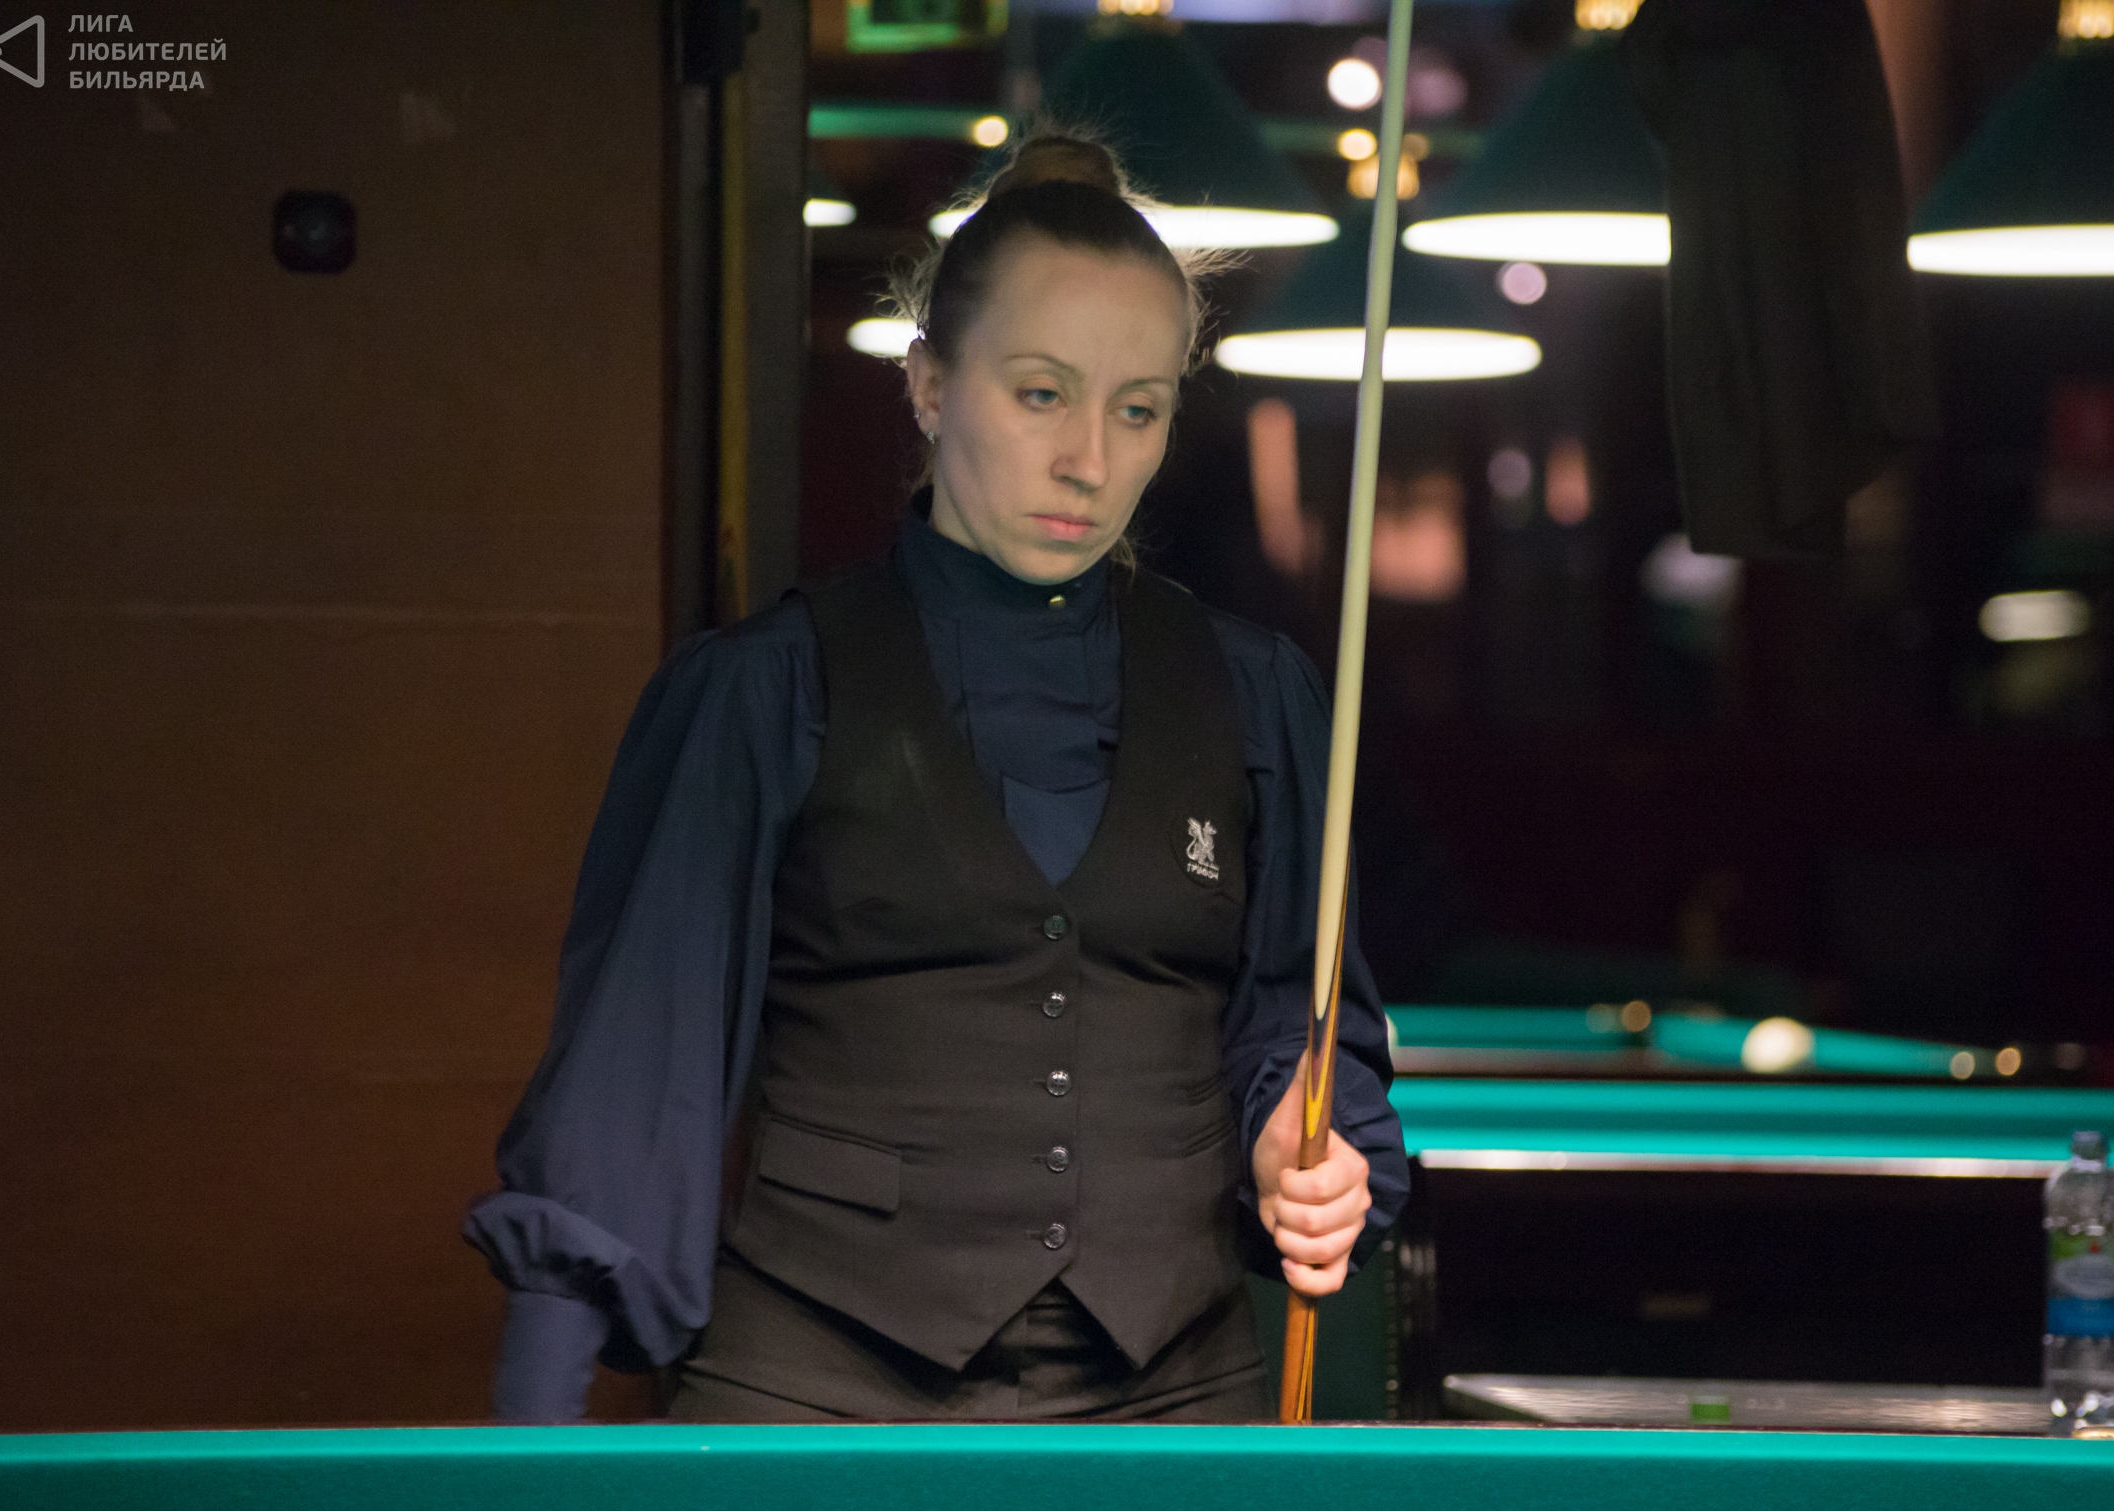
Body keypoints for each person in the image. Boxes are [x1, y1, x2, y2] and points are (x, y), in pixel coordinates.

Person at [464, 133, 1408, 1423]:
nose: (1089, 460)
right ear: (927, 384)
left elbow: (1298, 1032)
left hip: (1172, 1398)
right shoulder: (766, 692)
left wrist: (1304, 1146)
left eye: (1137, 409)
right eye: (1040, 394)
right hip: (816, 1387)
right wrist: (527, 1451)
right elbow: (635, 1080)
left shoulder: (1257, 697)